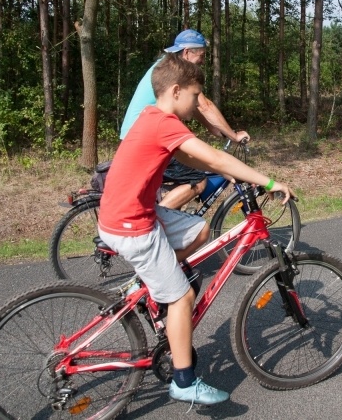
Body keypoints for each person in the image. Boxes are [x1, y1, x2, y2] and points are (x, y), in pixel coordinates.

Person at [98, 53, 295, 405]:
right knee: (182, 297)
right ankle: (184, 382)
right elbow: (214, 156)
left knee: (198, 231)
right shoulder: (165, 122)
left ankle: (154, 282)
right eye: (194, 96)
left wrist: (232, 172)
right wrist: (268, 181)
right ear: (175, 91)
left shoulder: (152, 116)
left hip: (131, 213)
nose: (196, 103)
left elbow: (189, 156)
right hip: (133, 224)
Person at [120, 29, 250, 210]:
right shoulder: (177, 72)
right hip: (147, 139)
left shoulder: (165, 66)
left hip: (136, 136)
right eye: (202, 55)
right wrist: (233, 135)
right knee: (198, 180)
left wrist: (212, 128)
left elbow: (194, 106)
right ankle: (156, 222)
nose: (203, 61)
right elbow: (204, 106)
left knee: (186, 178)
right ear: (187, 52)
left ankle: (171, 224)